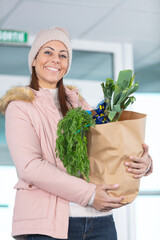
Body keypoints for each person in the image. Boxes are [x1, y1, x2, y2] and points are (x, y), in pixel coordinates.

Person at [0, 27, 153, 240]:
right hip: (49, 226)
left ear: (67, 65)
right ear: (33, 60)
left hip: (99, 221)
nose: (56, 59)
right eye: (48, 52)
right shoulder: (20, 106)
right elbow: (30, 167)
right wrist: (89, 195)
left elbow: (102, 151)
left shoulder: (79, 105)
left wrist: (142, 164)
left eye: (63, 55)